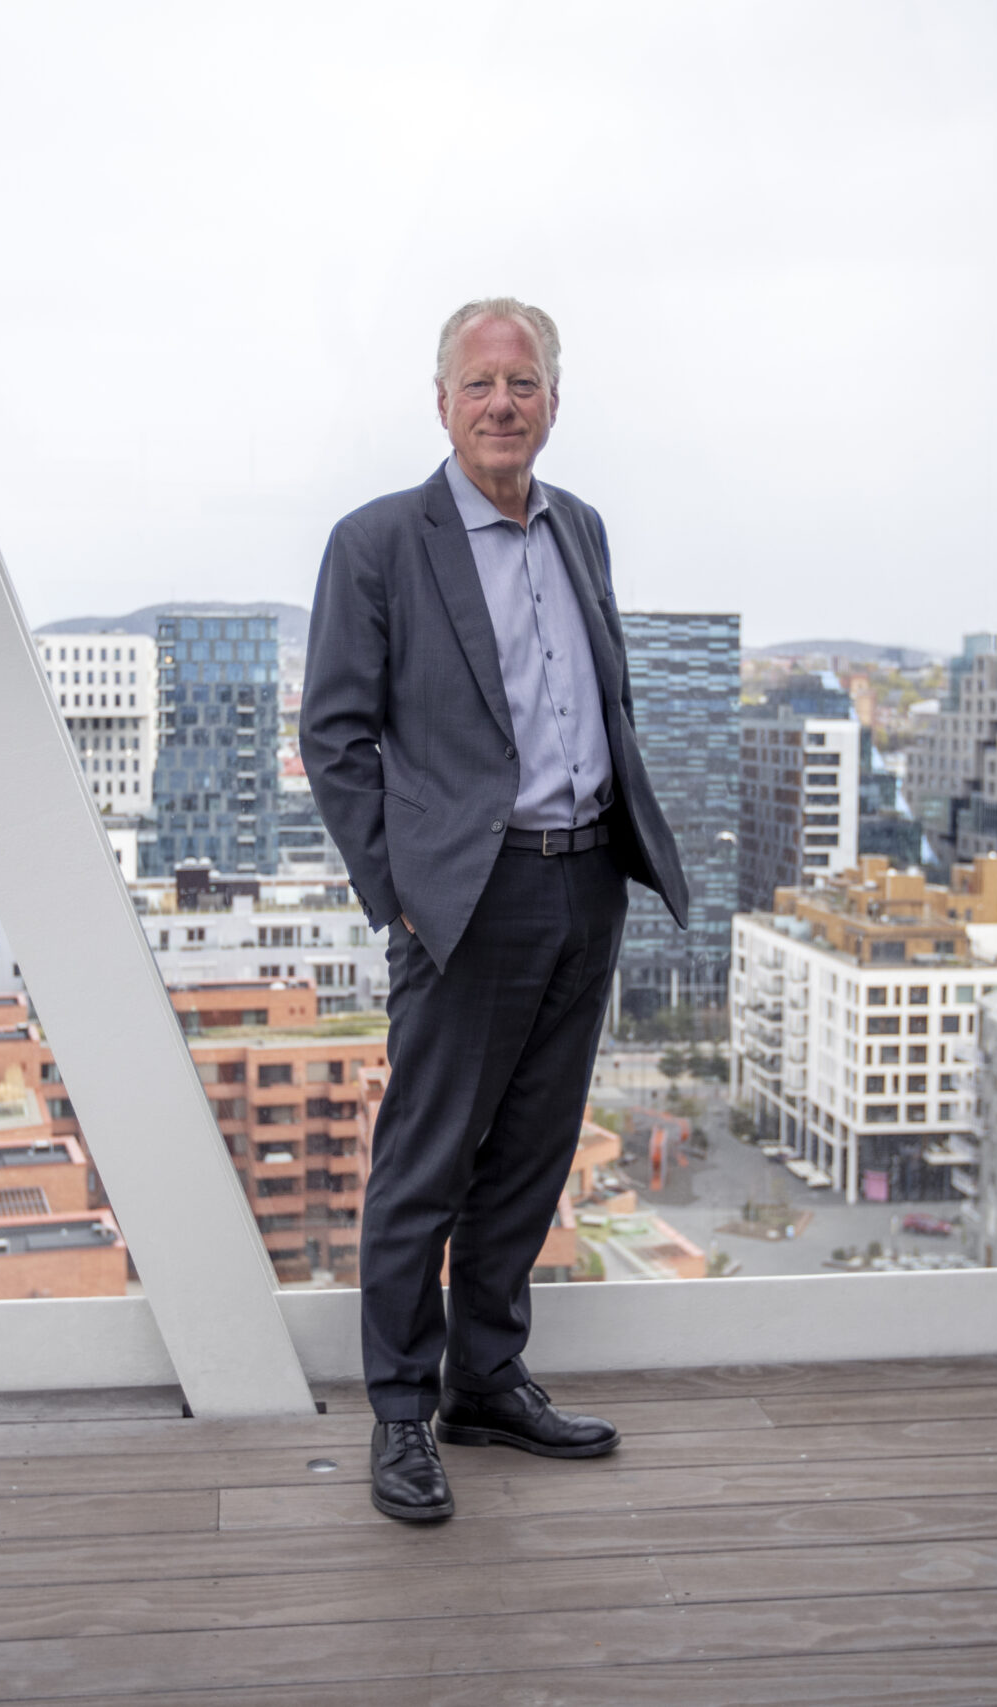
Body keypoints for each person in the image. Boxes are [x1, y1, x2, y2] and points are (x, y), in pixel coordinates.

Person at [302, 297, 688, 1522]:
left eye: (522, 384)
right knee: (425, 1163)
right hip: (463, 898)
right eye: (479, 384)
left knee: (530, 1153)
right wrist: (401, 899)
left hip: (584, 878)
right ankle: (400, 1413)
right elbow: (333, 738)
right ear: (442, 403)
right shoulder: (377, 543)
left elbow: (605, 700)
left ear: (553, 403)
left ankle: (484, 1380)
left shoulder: (582, 529)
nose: (501, 404)